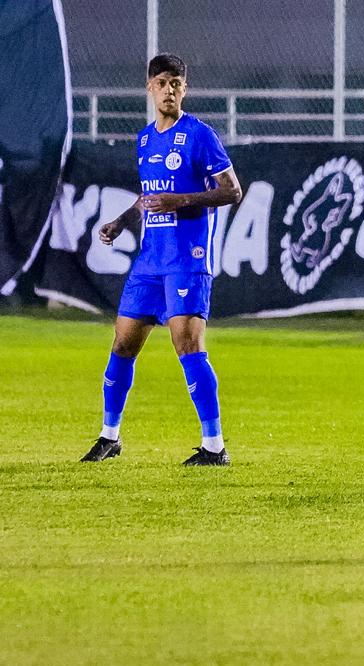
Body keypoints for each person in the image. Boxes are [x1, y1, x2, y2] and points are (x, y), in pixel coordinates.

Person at [80, 54, 242, 466]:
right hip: (150, 261)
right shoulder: (145, 139)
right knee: (122, 344)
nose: (170, 90)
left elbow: (232, 191)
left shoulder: (200, 135)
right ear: (150, 87)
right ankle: (110, 436)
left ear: (184, 90)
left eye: (177, 84)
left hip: (187, 259)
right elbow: (150, 195)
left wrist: (184, 200)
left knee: (188, 346)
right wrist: (122, 219)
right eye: (163, 82)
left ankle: (214, 446)